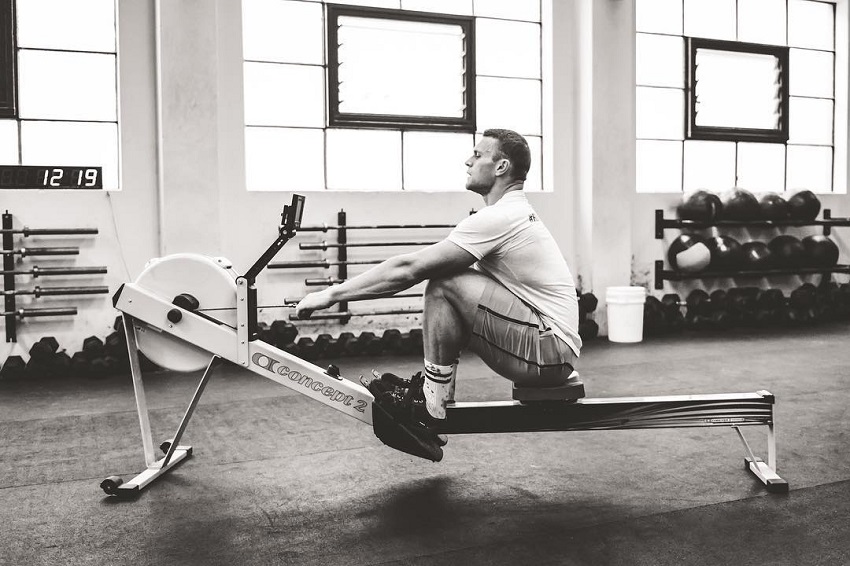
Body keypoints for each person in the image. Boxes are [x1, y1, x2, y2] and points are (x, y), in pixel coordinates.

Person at [295, 128, 582, 460]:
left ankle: (432, 404)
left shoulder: (502, 216)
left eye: (478, 155)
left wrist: (331, 294)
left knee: (443, 283)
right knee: (452, 279)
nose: (468, 161)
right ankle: (434, 394)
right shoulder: (511, 213)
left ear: (501, 167)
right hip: (548, 350)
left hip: (548, 352)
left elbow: (408, 269)